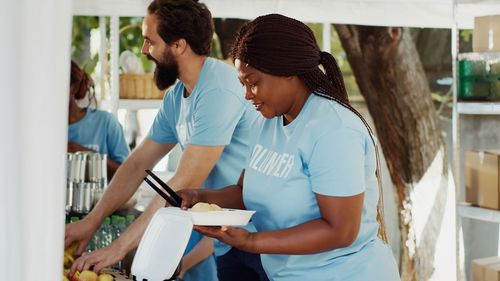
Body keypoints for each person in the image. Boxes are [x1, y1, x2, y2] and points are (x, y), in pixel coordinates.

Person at [177, 14, 401, 281]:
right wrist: (198, 196)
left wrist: (252, 241)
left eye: (253, 82)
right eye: (243, 84)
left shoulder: (334, 129)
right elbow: (244, 191)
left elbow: (341, 231)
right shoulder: (267, 123)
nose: (247, 94)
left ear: (286, 71)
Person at [65, 1, 268, 281]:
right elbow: (137, 164)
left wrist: (118, 248)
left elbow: (183, 181)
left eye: (150, 40)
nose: (144, 50)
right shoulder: (176, 97)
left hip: (265, 238)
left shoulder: (218, 88)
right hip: (229, 239)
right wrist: (90, 222)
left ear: (179, 45)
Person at [68, 60, 130, 179]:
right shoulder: (42, 128)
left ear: (74, 87)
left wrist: (86, 154)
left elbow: (128, 175)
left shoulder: (106, 122)